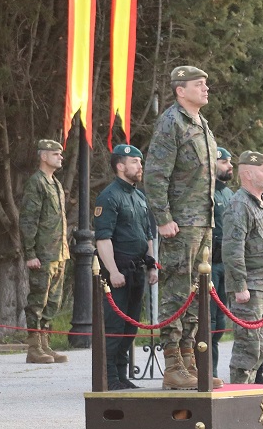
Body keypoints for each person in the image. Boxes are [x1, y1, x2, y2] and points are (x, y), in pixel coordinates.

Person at [144, 65, 221, 389]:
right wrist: (163, 219)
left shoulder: (201, 123)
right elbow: (155, 174)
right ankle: (173, 364)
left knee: (195, 293)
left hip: (202, 222)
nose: (205, 88)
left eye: (205, 84)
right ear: (180, 90)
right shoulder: (171, 122)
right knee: (176, 293)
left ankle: (190, 361)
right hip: (180, 225)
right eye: (199, 84)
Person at [95, 144, 158, 389]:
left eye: (140, 162)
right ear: (120, 166)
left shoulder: (139, 196)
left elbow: (148, 234)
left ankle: (122, 375)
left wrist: (152, 265)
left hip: (137, 271)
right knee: (114, 326)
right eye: (135, 162)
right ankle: (109, 378)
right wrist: (112, 271)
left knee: (130, 325)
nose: (140, 166)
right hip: (118, 272)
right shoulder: (109, 196)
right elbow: (103, 238)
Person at [223, 151, 263, 384]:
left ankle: (249, 392)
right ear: (248, 174)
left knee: (260, 347)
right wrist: (240, 285)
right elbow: (233, 249)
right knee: (247, 348)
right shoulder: (239, 205)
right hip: (250, 286)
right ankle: (239, 392)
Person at [20, 139, 70, 365]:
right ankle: (34, 348)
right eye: (55, 154)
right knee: (38, 301)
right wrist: (30, 253)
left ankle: (45, 344)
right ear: (43, 156)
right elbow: (28, 220)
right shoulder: (36, 183)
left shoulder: (55, 183)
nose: (60, 157)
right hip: (42, 254)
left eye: (60, 154)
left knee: (53, 302)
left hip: (58, 253)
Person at [211, 147, 235, 379]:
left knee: (219, 323)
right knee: (207, 322)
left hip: (225, 264)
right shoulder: (203, 193)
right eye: (224, 162)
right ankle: (206, 371)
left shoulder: (230, 194)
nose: (230, 166)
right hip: (208, 264)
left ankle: (213, 371)